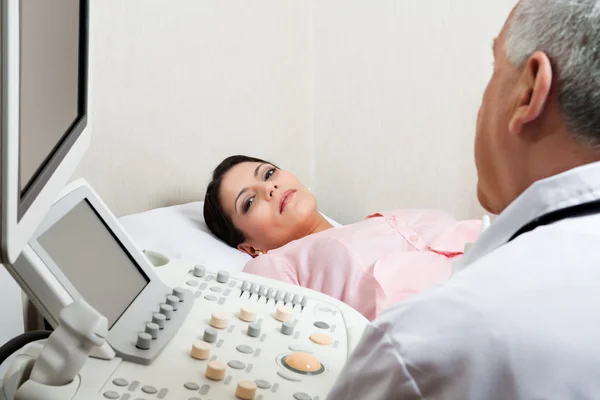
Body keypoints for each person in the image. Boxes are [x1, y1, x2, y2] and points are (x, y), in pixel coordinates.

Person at [326, 0, 600, 398]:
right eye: (248, 201)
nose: (273, 189)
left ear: (528, 91)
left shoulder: (428, 345)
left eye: (495, 70)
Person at [204, 155, 481, 320]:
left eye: (268, 173)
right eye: (250, 201)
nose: (270, 188)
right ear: (250, 247)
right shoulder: (273, 267)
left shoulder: (378, 219)